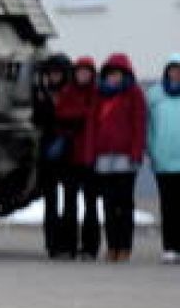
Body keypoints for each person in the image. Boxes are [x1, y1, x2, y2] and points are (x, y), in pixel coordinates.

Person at [89, 53, 146, 262]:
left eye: (118, 74)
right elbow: (93, 126)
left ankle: (124, 247)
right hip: (104, 158)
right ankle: (112, 246)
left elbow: (139, 125)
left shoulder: (134, 94)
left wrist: (136, 153)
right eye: (111, 74)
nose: (114, 78)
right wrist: (92, 153)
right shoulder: (99, 94)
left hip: (125, 158)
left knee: (125, 206)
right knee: (109, 206)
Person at [54, 56, 101, 260]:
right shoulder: (68, 92)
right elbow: (61, 113)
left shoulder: (98, 94)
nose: (83, 75)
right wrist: (82, 113)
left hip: (90, 156)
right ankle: (68, 245)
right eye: (80, 71)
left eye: (87, 72)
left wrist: (79, 114)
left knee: (91, 204)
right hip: (70, 157)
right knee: (69, 203)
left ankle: (90, 247)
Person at [32, 53, 75, 258]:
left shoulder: (71, 94)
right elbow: (37, 120)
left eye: (57, 73)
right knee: (51, 202)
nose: (53, 77)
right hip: (48, 152)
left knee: (69, 201)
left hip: (69, 152)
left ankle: (68, 243)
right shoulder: (41, 94)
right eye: (50, 73)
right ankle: (52, 244)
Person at [148, 54, 180, 264]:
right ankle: (170, 247)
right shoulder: (154, 94)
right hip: (164, 161)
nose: (175, 73)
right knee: (168, 206)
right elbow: (149, 128)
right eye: (172, 69)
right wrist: (152, 151)